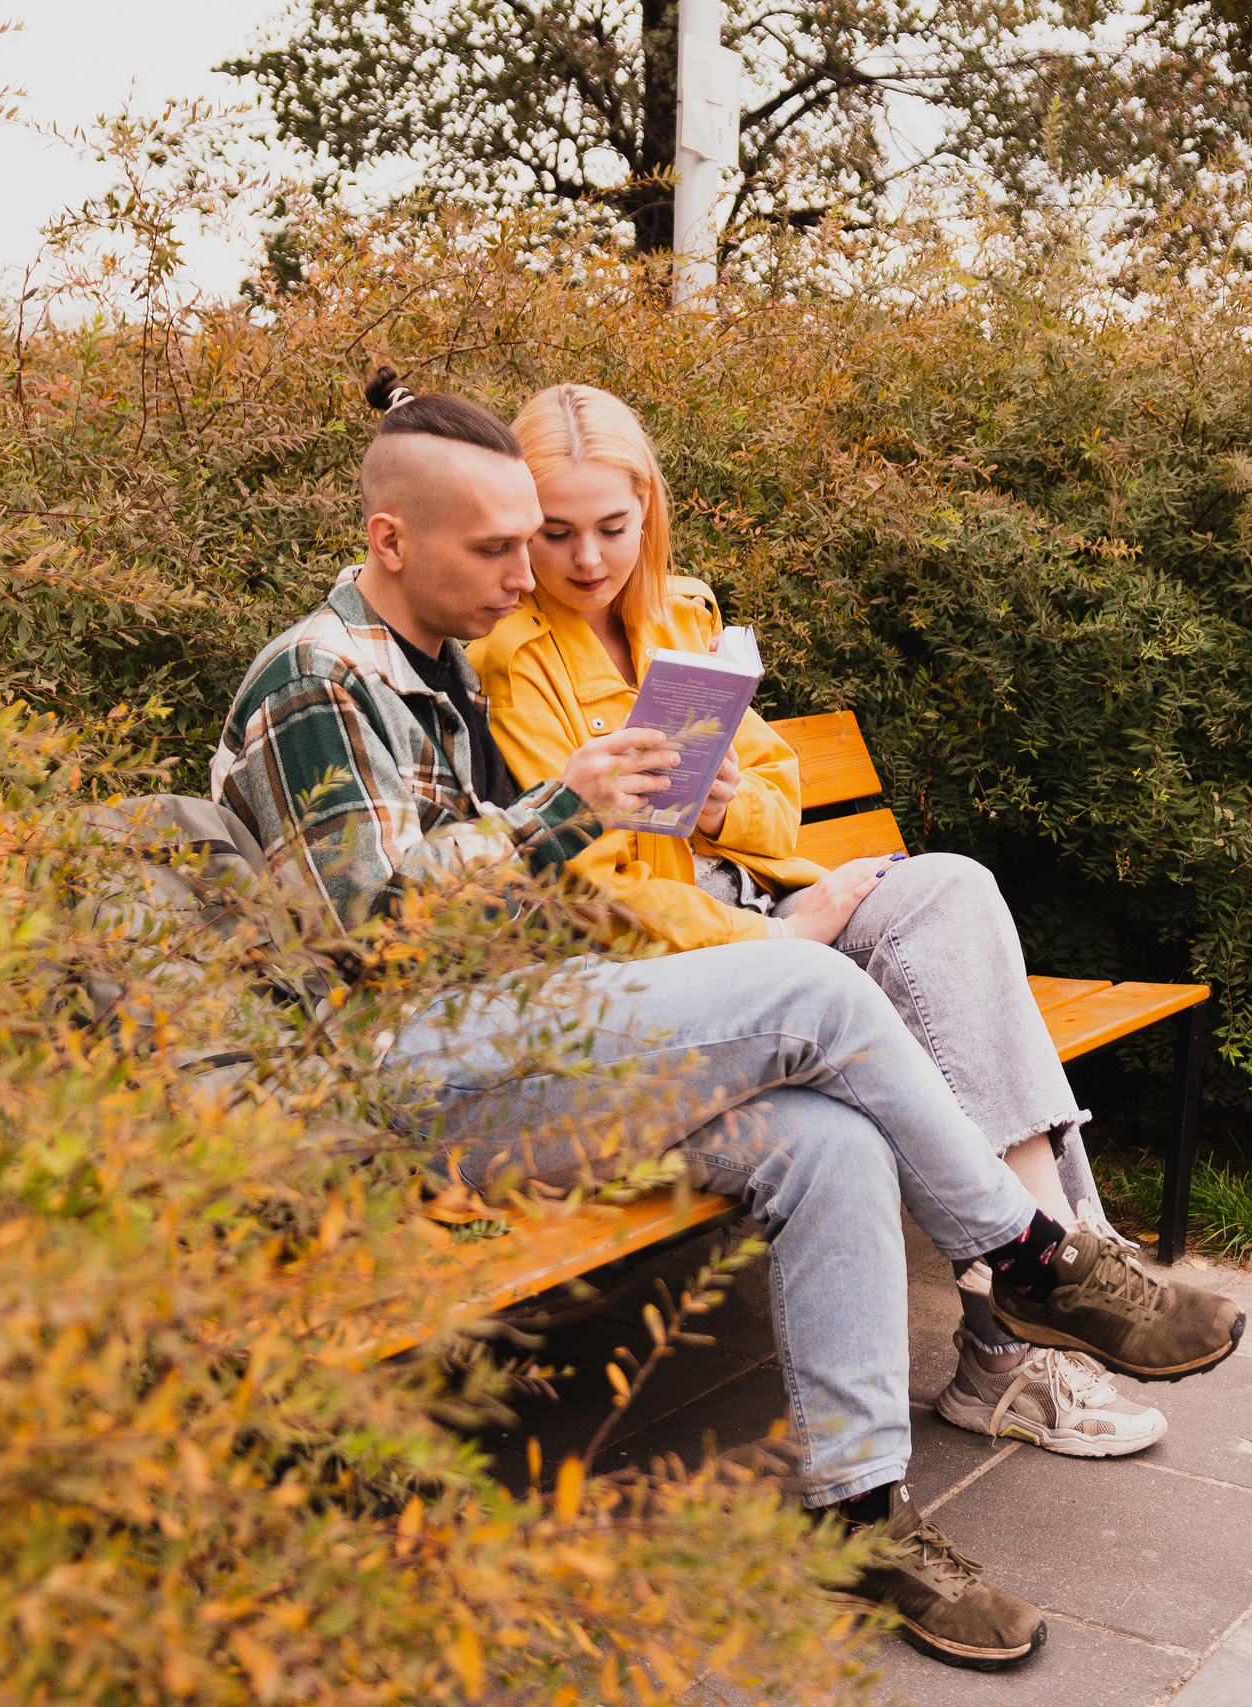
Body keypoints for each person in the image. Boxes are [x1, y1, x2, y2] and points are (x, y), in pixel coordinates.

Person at [210, 368, 1246, 1672]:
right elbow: (371, 936)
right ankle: (1027, 1254)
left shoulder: (441, 664)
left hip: (530, 1042)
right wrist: (575, 815)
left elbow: (563, 892)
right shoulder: (317, 681)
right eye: (502, 547)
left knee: (829, 1141)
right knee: (814, 986)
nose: (529, 576)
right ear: (389, 538)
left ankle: (860, 1511)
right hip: (392, 1085)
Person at [471, 382, 1170, 1461]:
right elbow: (589, 885)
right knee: (950, 1003)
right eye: (555, 533)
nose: (587, 558)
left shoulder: (678, 614)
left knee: (952, 888)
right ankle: (1037, 1300)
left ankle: (1047, 1264)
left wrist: (723, 807)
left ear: (648, 508)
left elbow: (772, 787)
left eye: (612, 527)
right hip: (691, 955)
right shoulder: (515, 659)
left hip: (760, 898)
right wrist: (772, 941)